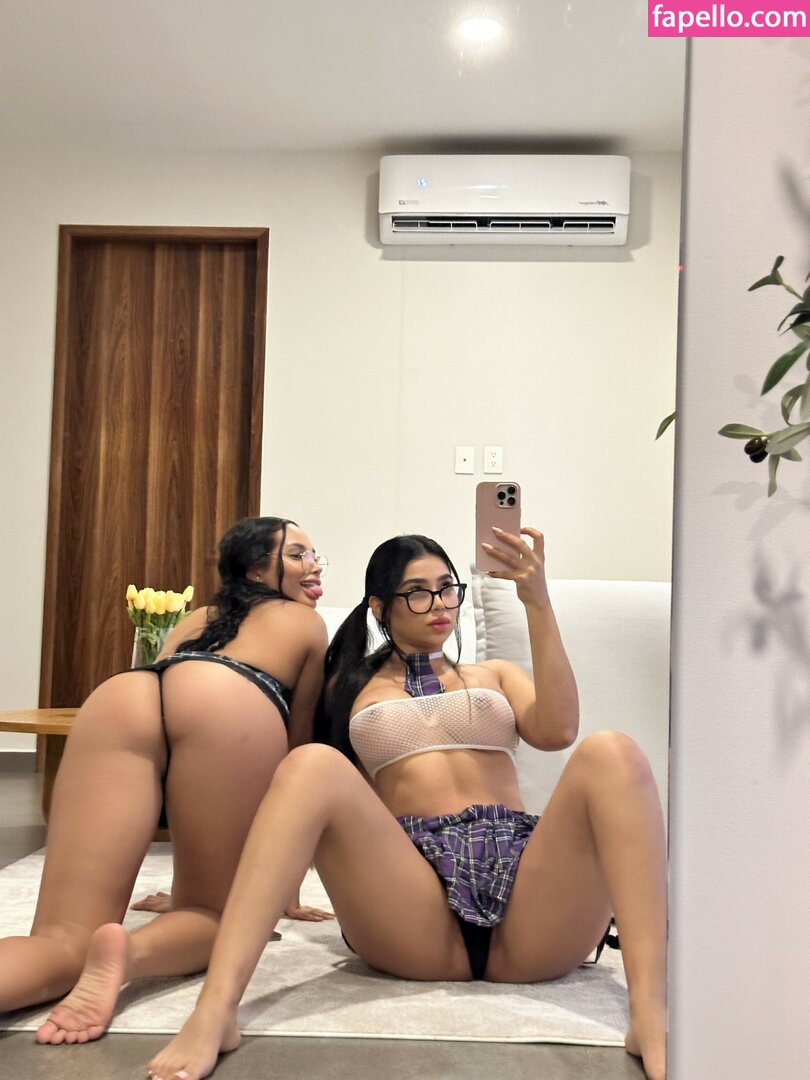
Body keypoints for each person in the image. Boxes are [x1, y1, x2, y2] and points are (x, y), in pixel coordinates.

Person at [146, 525, 667, 1080]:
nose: (439, 604)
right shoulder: (347, 687)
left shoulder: (494, 675)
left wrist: (536, 601)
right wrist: (214, 889)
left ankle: (651, 1011)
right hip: (413, 910)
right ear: (379, 606)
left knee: (613, 751)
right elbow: (296, 789)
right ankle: (215, 1010)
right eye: (417, 592)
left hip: (529, 907)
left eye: (447, 589)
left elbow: (559, 730)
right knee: (311, 762)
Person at [0, 515, 334, 1042]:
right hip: (229, 701)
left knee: (61, 939)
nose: (314, 566)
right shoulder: (307, 624)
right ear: (255, 569)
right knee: (215, 916)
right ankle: (126, 956)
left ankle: (75, 952)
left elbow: (169, 732)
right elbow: (299, 754)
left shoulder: (196, 617)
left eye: (315, 555)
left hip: (123, 696)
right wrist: (281, 887)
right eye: (297, 555)